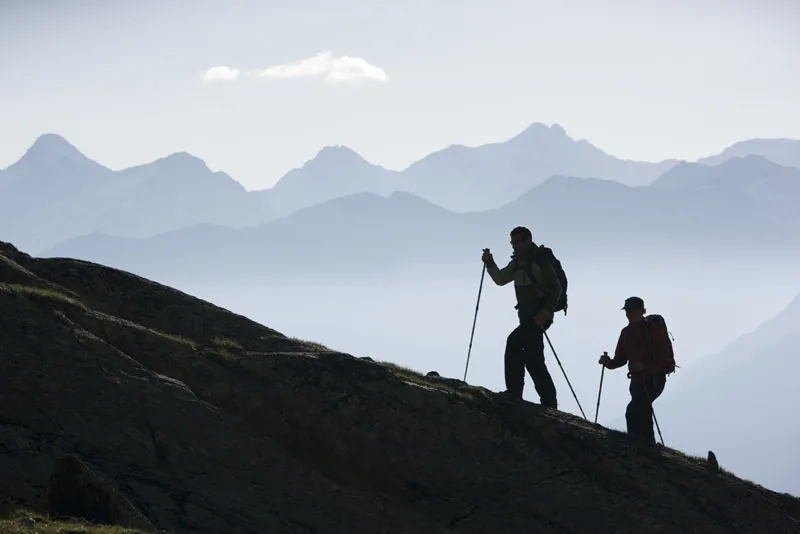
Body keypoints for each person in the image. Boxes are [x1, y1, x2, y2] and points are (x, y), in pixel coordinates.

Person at [481, 226, 562, 408]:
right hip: (527, 317)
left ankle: (514, 392)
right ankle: (549, 403)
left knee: (514, 342)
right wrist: (489, 263)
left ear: (528, 241)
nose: (514, 246)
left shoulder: (539, 261)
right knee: (534, 359)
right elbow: (501, 279)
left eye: (518, 242)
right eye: (512, 242)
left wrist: (546, 312)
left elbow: (556, 288)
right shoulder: (518, 262)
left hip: (538, 317)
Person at [598, 296, 674, 447]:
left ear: (641, 311)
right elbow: (620, 360)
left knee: (635, 409)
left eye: (631, 310)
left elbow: (664, 357)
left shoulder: (652, 329)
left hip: (653, 380)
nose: (628, 314)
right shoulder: (626, 333)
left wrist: (646, 368)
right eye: (627, 311)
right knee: (641, 410)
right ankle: (644, 446)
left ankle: (641, 446)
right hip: (637, 382)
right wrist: (608, 363)